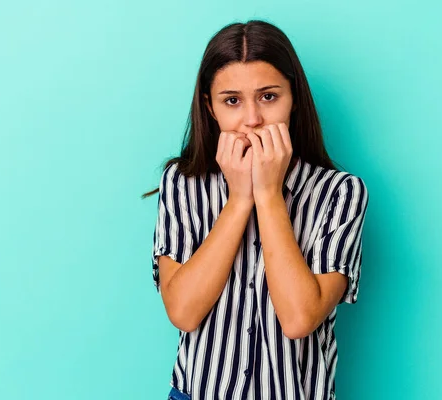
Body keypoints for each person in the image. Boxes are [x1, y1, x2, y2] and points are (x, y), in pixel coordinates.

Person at [144, 19, 369, 400]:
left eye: (268, 97)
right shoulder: (182, 183)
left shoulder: (340, 194)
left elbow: (300, 319)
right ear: (210, 107)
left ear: (293, 97)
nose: (252, 119)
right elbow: (182, 310)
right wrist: (239, 200)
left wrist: (267, 195)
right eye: (232, 100)